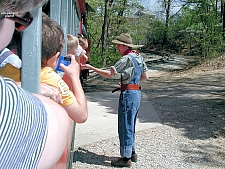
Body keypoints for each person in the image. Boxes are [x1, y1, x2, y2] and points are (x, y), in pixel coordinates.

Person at [0, 0, 73, 168]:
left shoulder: (9, 65)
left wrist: (16, 86)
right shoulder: (52, 114)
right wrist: (75, 77)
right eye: (20, 20)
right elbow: (81, 115)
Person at [82, 33, 149, 167]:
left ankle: (125, 158)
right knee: (131, 123)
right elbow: (145, 77)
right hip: (136, 93)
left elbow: (109, 73)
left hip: (128, 95)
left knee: (125, 125)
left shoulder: (126, 59)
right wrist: (129, 83)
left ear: (125, 46)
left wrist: (91, 68)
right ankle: (132, 152)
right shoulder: (139, 57)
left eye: (118, 44)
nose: (117, 47)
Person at [41, 12, 88, 123]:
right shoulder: (50, 78)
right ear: (56, 56)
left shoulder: (11, 66)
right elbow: (81, 115)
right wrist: (74, 77)